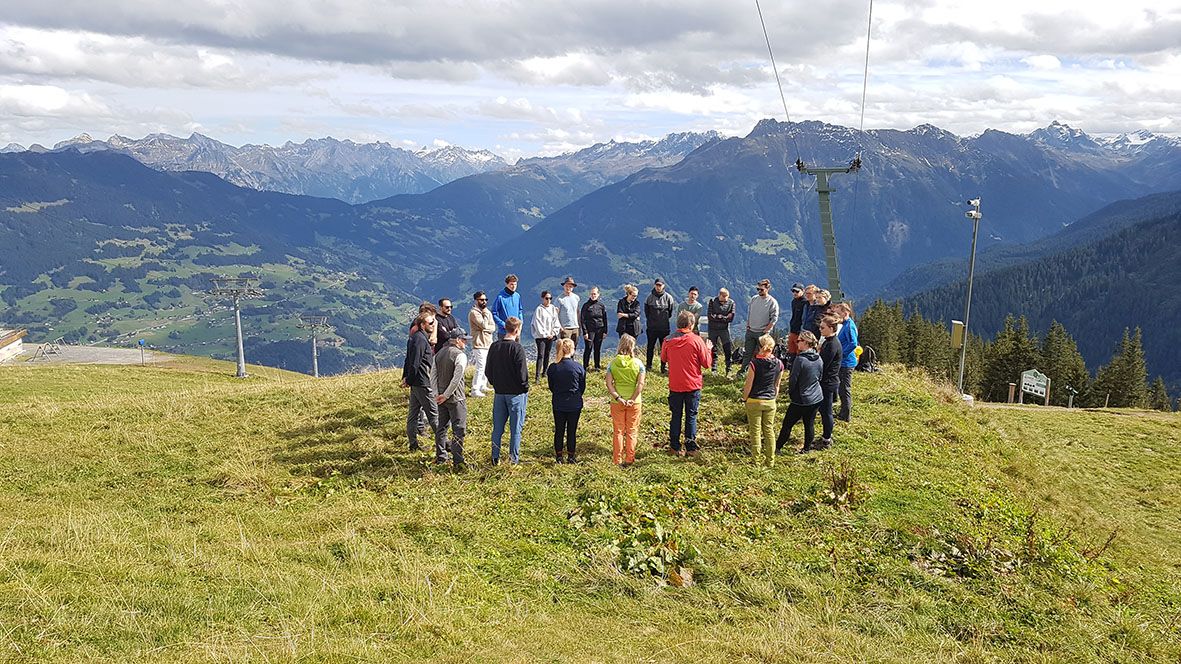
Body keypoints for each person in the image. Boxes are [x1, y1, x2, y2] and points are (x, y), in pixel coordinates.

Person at [661, 310, 713, 457]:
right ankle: (690, 447)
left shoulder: (668, 340)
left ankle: (674, 446)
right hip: (693, 384)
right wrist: (708, 349)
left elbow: (663, 358)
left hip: (675, 384)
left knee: (676, 415)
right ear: (691, 324)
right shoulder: (697, 340)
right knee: (691, 415)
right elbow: (707, 364)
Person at [485, 316, 529, 465]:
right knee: (515, 429)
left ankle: (494, 457)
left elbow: (488, 371)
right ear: (517, 330)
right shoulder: (517, 348)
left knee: (497, 428)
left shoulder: (494, 346)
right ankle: (513, 459)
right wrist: (524, 388)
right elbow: (522, 374)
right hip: (516, 393)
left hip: (499, 393)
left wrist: (495, 384)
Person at [775, 331, 824, 454]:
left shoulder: (800, 360)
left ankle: (777, 448)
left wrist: (792, 394)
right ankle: (806, 449)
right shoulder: (819, 358)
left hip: (801, 399)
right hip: (817, 397)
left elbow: (793, 380)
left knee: (787, 424)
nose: (797, 342)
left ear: (807, 343)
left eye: (799, 340)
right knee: (809, 424)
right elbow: (820, 376)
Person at [742, 334, 784, 466]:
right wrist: (773, 399)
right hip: (770, 401)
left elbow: (749, 384)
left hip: (754, 400)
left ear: (759, 347)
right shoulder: (779, 364)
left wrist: (744, 398)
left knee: (755, 431)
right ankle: (770, 461)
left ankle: (756, 460)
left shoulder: (754, 364)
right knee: (769, 431)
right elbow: (777, 385)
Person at [402, 311, 440, 453]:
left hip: (416, 382)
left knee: (413, 414)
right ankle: (444, 444)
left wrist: (406, 378)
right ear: (422, 325)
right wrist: (409, 379)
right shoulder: (420, 340)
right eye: (431, 323)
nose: (433, 325)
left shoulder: (416, 337)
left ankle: (413, 445)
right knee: (434, 415)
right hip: (422, 382)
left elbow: (408, 360)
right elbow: (415, 363)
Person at [432, 327, 470, 467]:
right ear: (458, 340)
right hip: (456, 398)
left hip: (441, 398)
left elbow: (433, 375)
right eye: (464, 340)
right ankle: (458, 460)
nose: (465, 343)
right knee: (459, 429)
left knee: (442, 428)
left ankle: (441, 456)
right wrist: (447, 395)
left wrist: (437, 395)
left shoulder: (439, 354)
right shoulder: (460, 356)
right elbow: (457, 379)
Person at [606, 334, 646, 466]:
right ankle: (630, 458)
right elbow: (640, 384)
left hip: (617, 401)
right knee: (632, 430)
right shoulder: (638, 364)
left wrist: (618, 397)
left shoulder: (612, 363)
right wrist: (633, 399)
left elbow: (609, 383)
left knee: (618, 431)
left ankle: (617, 459)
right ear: (632, 347)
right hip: (635, 402)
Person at [546, 338, 586, 464]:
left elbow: (551, 386)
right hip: (574, 403)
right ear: (572, 350)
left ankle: (558, 456)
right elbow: (582, 387)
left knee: (559, 430)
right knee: (571, 431)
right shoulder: (578, 367)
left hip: (558, 402)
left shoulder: (553, 367)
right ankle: (571, 456)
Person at [740, 279, 779, 376]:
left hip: (762, 333)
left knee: (762, 354)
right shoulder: (754, 299)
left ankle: (760, 374)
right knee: (747, 353)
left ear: (767, 288)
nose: (759, 291)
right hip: (750, 330)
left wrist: (767, 330)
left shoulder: (772, 302)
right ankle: (742, 372)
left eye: (761, 289)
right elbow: (750, 312)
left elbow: (774, 318)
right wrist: (748, 324)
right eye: (758, 289)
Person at [816, 315, 843, 449]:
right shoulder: (829, 341)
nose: (820, 329)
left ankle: (826, 439)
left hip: (828, 383)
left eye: (822, 327)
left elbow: (823, 364)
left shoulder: (832, 345)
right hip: (828, 381)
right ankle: (825, 436)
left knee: (827, 412)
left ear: (831, 328)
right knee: (823, 410)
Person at [835, 302, 859, 422]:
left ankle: (846, 416)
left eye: (838, 313)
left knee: (844, 389)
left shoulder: (849, 326)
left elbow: (853, 343)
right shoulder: (845, 324)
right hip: (843, 362)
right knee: (841, 388)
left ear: (845, 313)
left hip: (846, 363)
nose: (837, 316)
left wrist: (841, 354)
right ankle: (842, 412)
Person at [468, 291, 495, 397]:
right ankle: (475, 389)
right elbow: (483, 325)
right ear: (476, 300)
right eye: (482, 300)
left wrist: (487, 327)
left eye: (485, 299)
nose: (484, 302)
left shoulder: (486, 312)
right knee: (481, 366)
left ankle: (483, 385)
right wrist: (486, 317)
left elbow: (493, 327)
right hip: (479, 343)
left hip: (488, 342)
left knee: (486, 365)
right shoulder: (474, 313)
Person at [644, 278, 675, 372]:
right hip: (652, 328)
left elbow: (670, 312)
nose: (658, 287)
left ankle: (663, 367)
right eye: (657, 285)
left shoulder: (669, 298)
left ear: (664, 286)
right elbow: (647, 313)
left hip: (664, 328)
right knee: (650, 347)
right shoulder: (649, 298)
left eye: (660, 285)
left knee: (664, 348)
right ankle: (649, 366)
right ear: (654, 285)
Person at [531, 290, 561, 383]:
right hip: (541, 337)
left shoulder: (553, 308)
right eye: (546, 298)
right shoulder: (539, 309)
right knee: (541, 354)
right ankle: (537, 376)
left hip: (550, 335)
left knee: (547, 353)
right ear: (542, 298)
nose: (548, 300)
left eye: (550, 298)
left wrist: (553, 333)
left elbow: (556, 322)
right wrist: (545, 334)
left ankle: (544, 372)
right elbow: (537, 323)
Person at [706, 287, 735, 373]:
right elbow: (710, 316)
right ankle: (713, 368)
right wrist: (724, 317)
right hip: (713, 329)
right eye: (723, 300)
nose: (724, 302)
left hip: (724, 329)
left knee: (727, 348)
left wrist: (719, 316)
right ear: (719, 296)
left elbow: (731, 318)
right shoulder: (712, 301)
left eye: (726, 300)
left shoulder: (731, 303)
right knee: (713, 349)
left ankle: (728, 368)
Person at [580, 286, 609, 369]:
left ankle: (597, 366)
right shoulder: (586, 306)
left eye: (595, 294)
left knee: (597, 349)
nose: (593, 295)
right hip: (590, 331)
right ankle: (585, 366)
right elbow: (582, 319)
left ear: (598, 294)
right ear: (589, 295)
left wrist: (605, 331)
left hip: (600, 330)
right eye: (592, 294)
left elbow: (604, 318)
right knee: (588, 348)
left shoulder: (601, 306)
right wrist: (585, 332)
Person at [491, 274, 522, 339]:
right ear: (506, 284)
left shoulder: (517, 296)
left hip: (516, 331)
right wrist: (503, 324)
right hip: (504, 332)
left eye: (515, 284)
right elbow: (494, 313)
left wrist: (520, 324)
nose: (513, 286)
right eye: (511, 284)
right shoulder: (500, 297)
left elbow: (520, 311)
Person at [555, 276, 581, 350]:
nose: (568, 288)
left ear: (573, 287)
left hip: (575, 327)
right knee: (565, 349)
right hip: (565, 328)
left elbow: (577, 312)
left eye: (570, 286)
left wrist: (579, 325)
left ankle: (572, 361)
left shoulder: (576, 298)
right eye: (566, 286)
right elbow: (555, 314)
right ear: (564, 286)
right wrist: (559, 326)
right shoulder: (559, 299)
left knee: (573, 348)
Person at [787, 283, 806, 356]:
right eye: (793, 291)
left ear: (802, 291)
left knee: (799, 351)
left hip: (800, 332)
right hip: (793, 330)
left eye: (797, 291)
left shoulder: (805, 303)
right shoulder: (793, 301)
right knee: (791, 351)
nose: (794, 293)